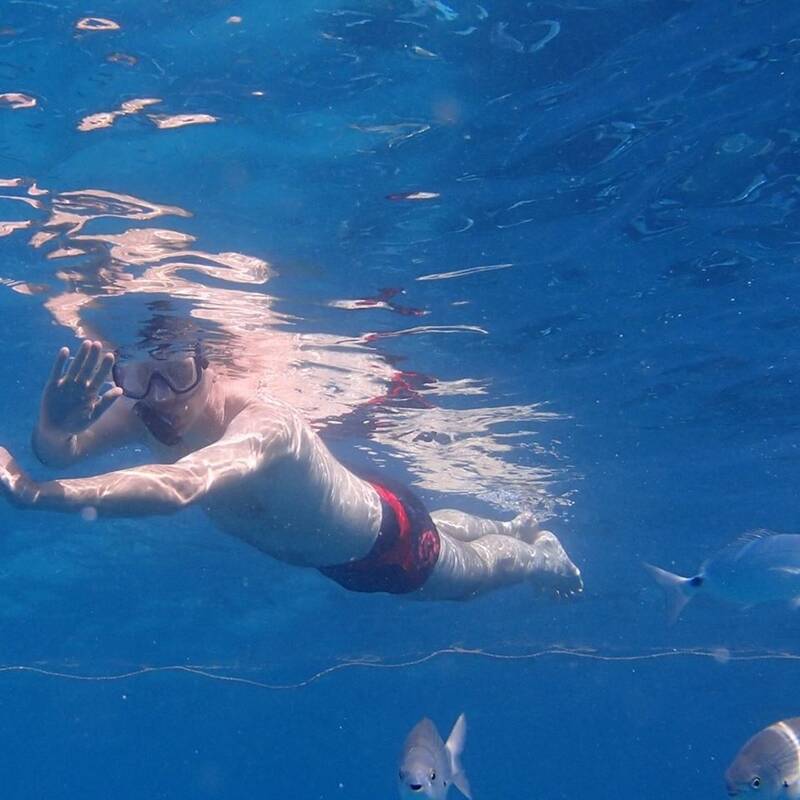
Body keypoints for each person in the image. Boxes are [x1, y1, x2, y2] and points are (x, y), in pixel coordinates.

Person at [0, 340, 583, 601]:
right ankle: (508, 524)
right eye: (139, 376)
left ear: (210, 367)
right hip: (345, 541)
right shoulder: (144, 411)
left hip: (390, 546)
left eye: (177, 373)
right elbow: (62, 453)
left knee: (476, 576)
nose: (160, 395)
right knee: (453, 531)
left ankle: (542, 556)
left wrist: (35, 494)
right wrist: (51, 430)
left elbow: (178, 487)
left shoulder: (265, 424)